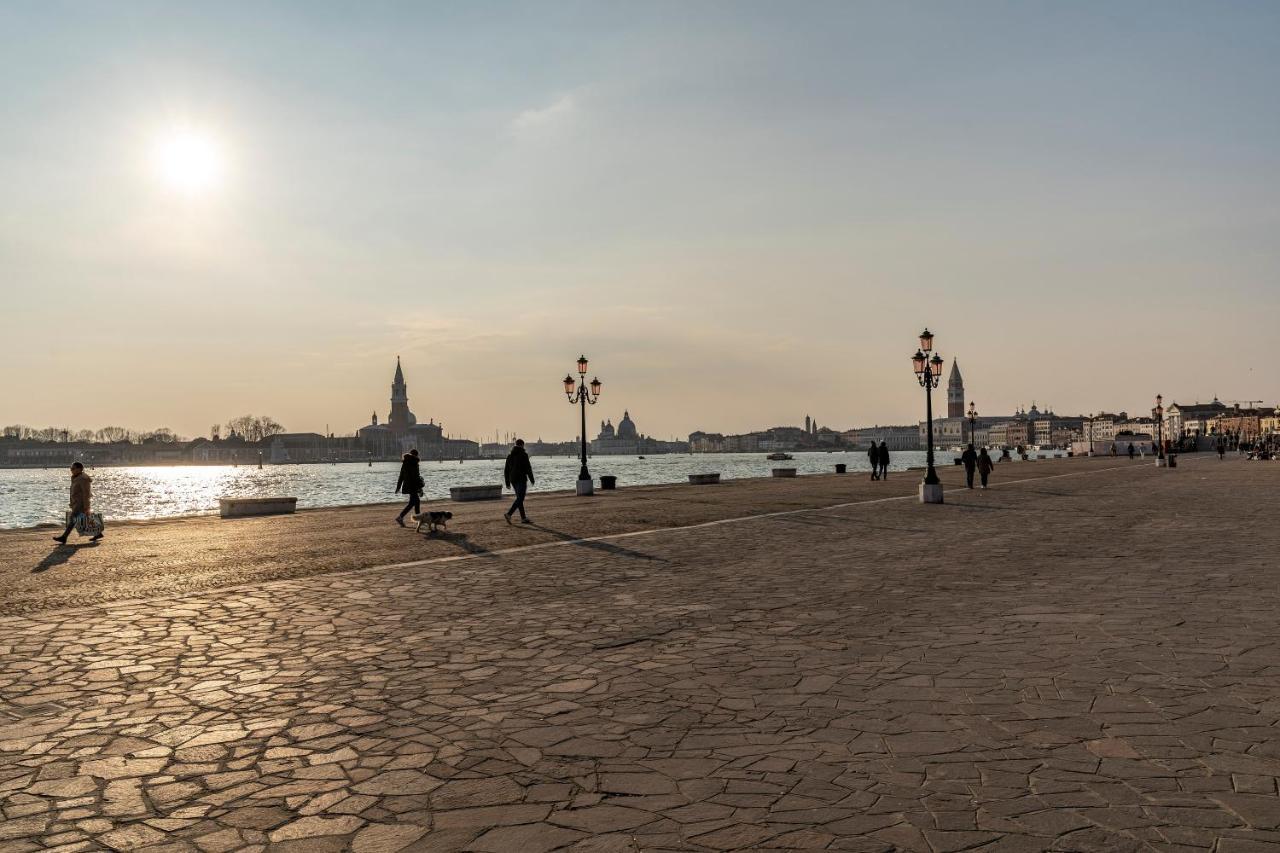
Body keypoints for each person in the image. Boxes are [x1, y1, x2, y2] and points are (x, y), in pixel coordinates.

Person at [54, 462, 101, 544]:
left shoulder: (83, 479)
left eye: (73, 468)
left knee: (73, 519)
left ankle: (64, 537)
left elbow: (86, 493)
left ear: (79, 469)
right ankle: (98, 533)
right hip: (76, 503)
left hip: (80, 503)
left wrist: (86, 506)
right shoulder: (76, 477)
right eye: (71, 468)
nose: (71, 470)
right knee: (85, 518)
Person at [504, 439, 535, 524]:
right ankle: (509, 514)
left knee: (519, 498)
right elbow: (528, 468)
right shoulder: (524, 455)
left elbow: (506, 470)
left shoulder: (510, 455)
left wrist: (507, 482)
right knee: (520, 498)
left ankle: (523, 518)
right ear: (522, 445)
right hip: (521, 479)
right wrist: (532, 479)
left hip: (513, 480)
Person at [394, 449, 422, 526]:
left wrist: (398, 487)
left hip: (407, 486)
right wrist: (420, 487)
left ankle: (418, 520)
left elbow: (401, 476)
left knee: (415, 502)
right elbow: (416, 477)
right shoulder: (415, 463)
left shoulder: (405, 463)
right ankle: (400, 517)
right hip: (413, 486)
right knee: (414, 502)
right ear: (416, 455)